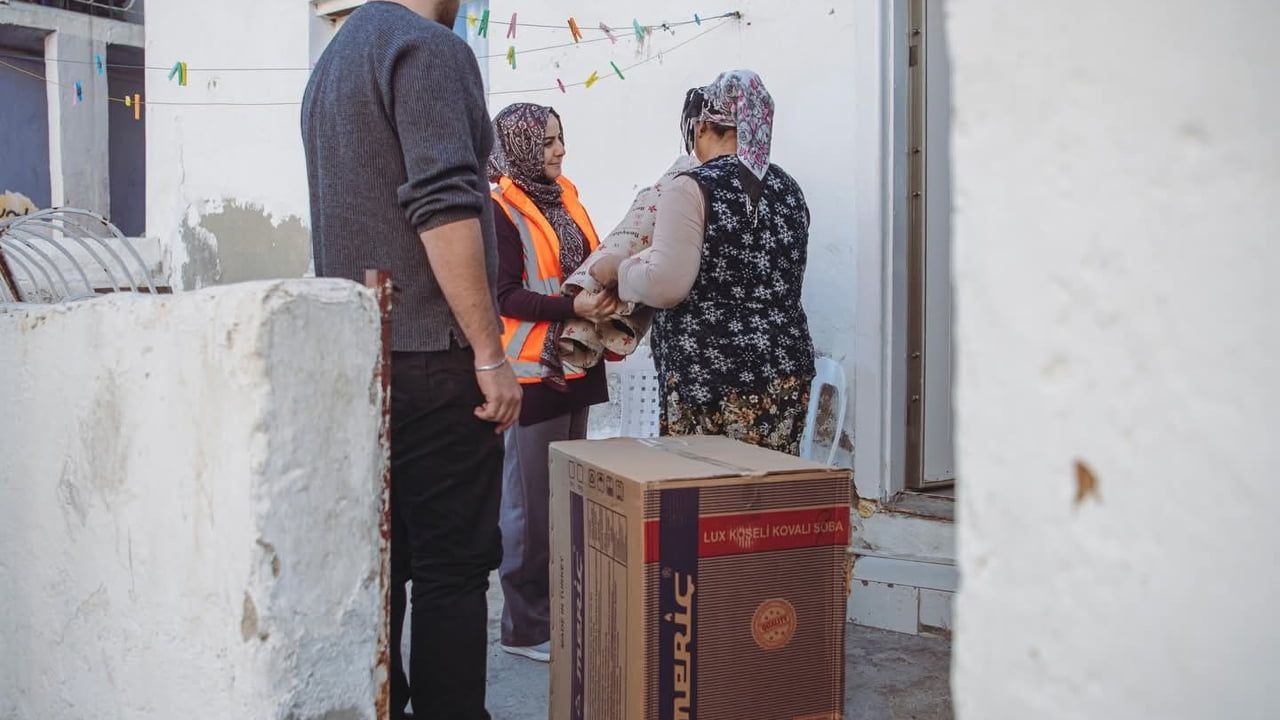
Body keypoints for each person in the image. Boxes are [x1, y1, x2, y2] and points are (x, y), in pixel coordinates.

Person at [301, 2, 521, 718]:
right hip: (433, 357)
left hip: (363, 366)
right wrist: (490, 355)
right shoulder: (428, 49)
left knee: (383, 569)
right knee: (452, 572)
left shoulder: (333, 62)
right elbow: (444, 205)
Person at [591, 71, 816, 455]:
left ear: (704, 126)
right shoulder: (789, 189)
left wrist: (617, 270)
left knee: (709, 499)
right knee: (768, 495)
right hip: (786, 371)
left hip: (711, 380)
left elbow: (666, 283)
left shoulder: (691, 186)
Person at [488, 103, 616, 662]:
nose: (559, 150)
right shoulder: (498, 211)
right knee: (528, 508)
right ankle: (524, 628)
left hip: (576, 366)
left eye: (560, 138)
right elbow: (504, 294)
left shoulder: (566, 199)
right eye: (545, 143)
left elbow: (581, 268)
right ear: (518, 148)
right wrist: (571, 302)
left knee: (568, 503)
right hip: (530, 377)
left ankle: (562, 613)